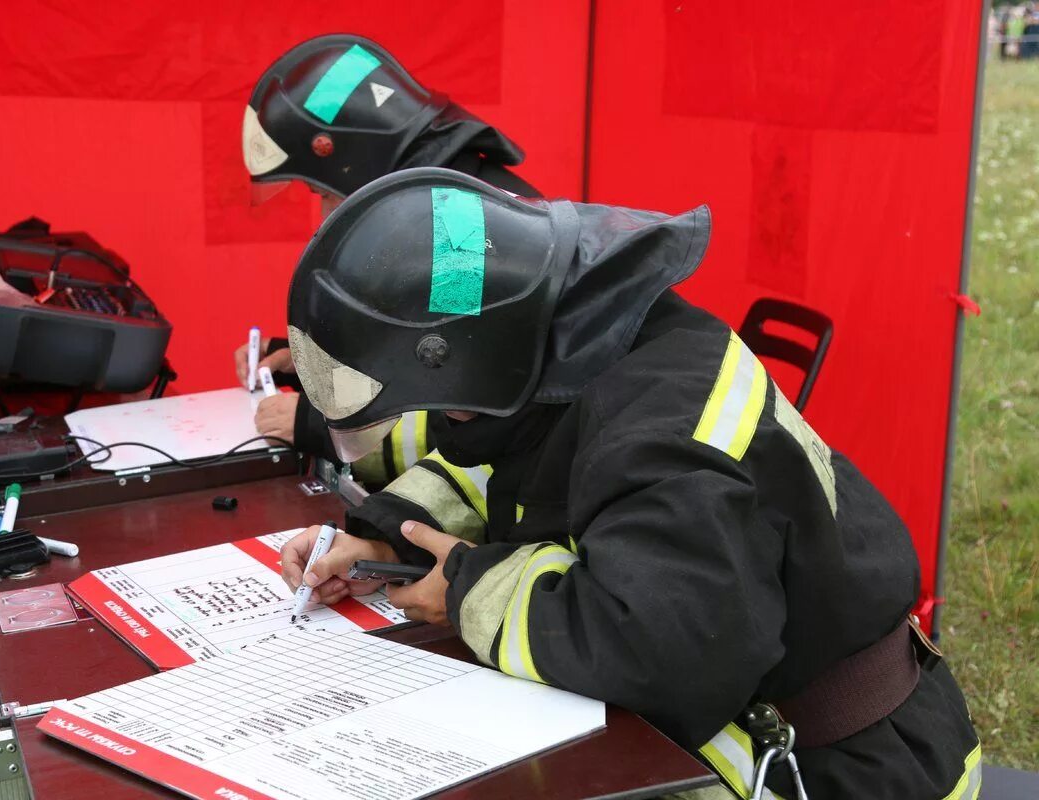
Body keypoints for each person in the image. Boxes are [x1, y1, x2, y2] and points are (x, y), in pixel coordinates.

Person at [277, 167, 981, 800]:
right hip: (760, 731)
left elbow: (654, 651)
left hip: (845, 771)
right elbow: (510, 473)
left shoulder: (662, 431)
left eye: (438, 401)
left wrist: (466, 588)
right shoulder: (577, 351)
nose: (440, 421)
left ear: (471, 359)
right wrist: (379, 539)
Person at [235, 33, 538, 490]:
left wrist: (315, 426)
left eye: (320, 192)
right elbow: (424, 352)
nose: (323, 213)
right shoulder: (452, 205)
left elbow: (464, 418)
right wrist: (314, 367)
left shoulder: (463, 236)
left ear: (353, 163)